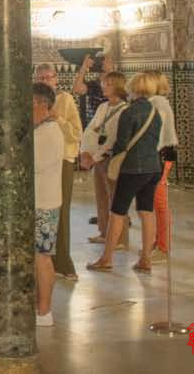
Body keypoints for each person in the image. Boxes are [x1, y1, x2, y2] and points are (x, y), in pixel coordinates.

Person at [87, 71, 163, 274]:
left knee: (117, 212)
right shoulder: (156, 112)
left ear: (134, 89)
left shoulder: (129, 112)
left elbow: (120, 144)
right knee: (146, 212)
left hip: (132, 168)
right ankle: (145, 258)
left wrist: (109, 158)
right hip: (153, 166)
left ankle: (106, 258)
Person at [35, 64, 81, 280]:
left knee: (60, 211)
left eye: (48, 77)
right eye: (40, 77)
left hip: (62, 159)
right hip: (38, 161)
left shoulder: (65, 100)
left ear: (55, 79)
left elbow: (75, 133)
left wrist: (56, 118)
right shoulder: (33, 101)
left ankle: (62, 262)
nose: (45, 80)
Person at [80, 72, 131, 249]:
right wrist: (84, 152)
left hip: (111, 159)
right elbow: (90, 130)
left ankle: (120, 238)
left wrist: (94, 158)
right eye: (103, 83)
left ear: (117, 87)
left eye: (107, 84)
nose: (103, 87)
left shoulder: (124, 110)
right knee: (101, 197)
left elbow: (112, 140)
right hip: (96, 159)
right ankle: (104, 232)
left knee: (115, 199)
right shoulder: (103, 107)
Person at [31, 82, 64, 326]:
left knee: (42, 256)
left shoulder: (49, 133)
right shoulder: (41, 130)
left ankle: (45, 310)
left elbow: (33, 165)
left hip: (44, 203)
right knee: (36, 255)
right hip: (39, 201)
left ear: (42, 105)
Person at [150, 73, 178, 260]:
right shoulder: (157, 101)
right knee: (155, 202)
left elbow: (158, 133)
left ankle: (163, 247)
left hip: (161, 155)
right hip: (161, 154)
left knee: (160, 203)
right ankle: (158, 241)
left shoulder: (158, 102)